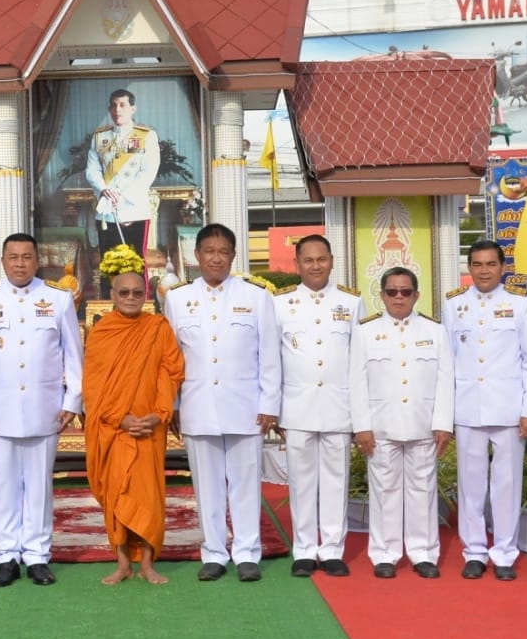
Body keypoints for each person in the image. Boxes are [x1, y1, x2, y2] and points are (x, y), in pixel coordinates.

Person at [0, 233, 83, 588]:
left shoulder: (58, 300)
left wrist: (71, 401)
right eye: (12, 257)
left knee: (39, 485)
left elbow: (74, 357)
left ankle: (37, 556)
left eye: (26, 257)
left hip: (44, 408)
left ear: (36, 260)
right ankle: (6, 556)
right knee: (6, 484)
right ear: (2, 261)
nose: (19, 263)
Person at [165, 223, 282, 583]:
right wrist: (172, 403)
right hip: (198, 405)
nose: (216, 258)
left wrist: (270, 403)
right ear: (196, 255)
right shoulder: (177, 299)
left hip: (245, 405)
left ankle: (247, 552)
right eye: (209, 251)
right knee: (207, 484)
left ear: (233, 256)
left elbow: (270, 354)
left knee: (245, 482)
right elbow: (171, 359)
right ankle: (214, 552)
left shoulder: (256, 296)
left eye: (223, 252)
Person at [440, 239, 527, 580]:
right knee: (470, 485)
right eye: (478, 264)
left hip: (509, 408)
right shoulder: (455, 304)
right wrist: (446, 413)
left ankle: (504, 553)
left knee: (506, 483)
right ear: (469, 269)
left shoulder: (522, 304)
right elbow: (448, 362)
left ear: (502, 268)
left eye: (491, 264)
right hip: (468, 408)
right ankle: (474, 551)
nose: (484, 271)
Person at [349, 267, 453, 579]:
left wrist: (444, 423)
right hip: (381, 426)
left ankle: (423, 553)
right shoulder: (365, 332)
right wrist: (361, 426)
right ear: (381, 296)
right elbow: (357, 381)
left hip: (422, 424)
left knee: (423, 489)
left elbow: (445, 380)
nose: (398, 297)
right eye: (392, 291)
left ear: (416, 295)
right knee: (384, 490)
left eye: (405, 292)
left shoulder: (434, 331)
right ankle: (385, 553)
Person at [84, 267, 185, 585]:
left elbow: (171, 372)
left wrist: (158, 414)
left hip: (150, 426)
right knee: (117, 494)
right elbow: (94, 386)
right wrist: (120, 419)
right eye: (123, 292)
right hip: (115, 428)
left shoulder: (158, 327)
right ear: (112, 296)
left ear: (146, 296)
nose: (130, 298)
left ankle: (148, 564)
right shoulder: (101, 333)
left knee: (148, 496)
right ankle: (123, 562)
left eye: (137, 292)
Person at [274, 234, 362, 577]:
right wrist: (276, 408)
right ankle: (305, 549)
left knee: (336, 479)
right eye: (308, 260)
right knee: (301, 481)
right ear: (296, 264)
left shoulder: (351, 303)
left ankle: (333, 549)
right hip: (297, 407)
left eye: (321, 259)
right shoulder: (280, 303)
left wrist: (359, 413)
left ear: (331, 260)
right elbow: (273, 359)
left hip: (339, 406)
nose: (315, 265)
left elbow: (359, 360)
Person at [85, 87, 162, 257]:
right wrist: (104, 190)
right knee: (108, 263)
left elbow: (148, 172)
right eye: (113, 105)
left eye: (122, 105)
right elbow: (92, 170)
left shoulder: (147, 136)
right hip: (107, 211)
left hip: (133, 209)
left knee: (135, 263)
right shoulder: (99, 138)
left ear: (133, 109)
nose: (117, 109)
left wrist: (122, 196)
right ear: (109, 109)